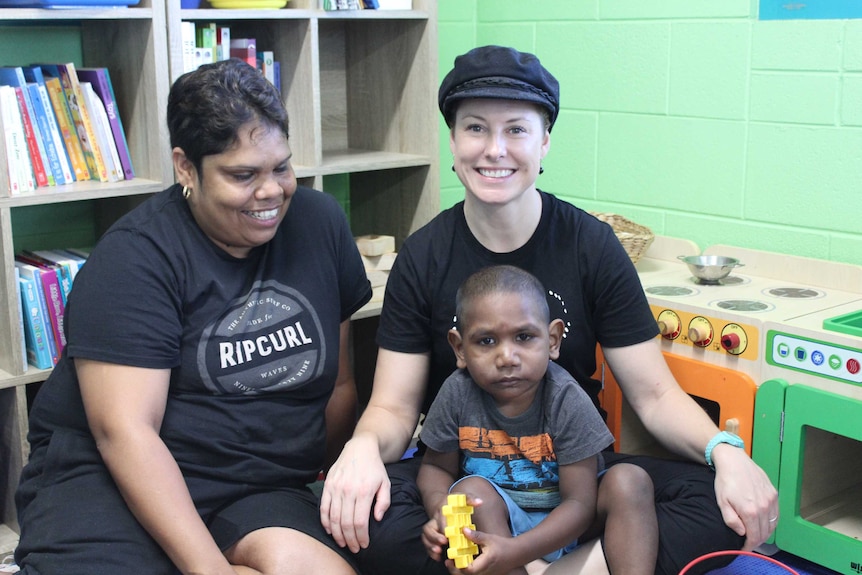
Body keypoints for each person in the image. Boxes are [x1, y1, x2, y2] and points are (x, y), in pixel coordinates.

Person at [320, 45, 778, 575]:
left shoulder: (591, 245)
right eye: (475, 128)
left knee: (720, 507)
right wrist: (361, 448)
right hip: (470, 472)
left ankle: (526, 566)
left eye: (516, 130)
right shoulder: (423, 255)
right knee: (363, 521)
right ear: (453, 140)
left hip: (571, 472)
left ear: (545, 142)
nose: (495, 150)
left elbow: (654, 394)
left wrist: (726, 453)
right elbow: (395, 408)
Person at [14, 58, 371, 575]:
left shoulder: (319, 224)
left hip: (257, 484)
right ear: (186, 167)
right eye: (243, 175)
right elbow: (125, 433)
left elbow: (338, 383)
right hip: (113, 477)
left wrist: (318, 479)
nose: (271, 191)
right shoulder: (135, 258)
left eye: (281, 167)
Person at [417, 265, 658, 575]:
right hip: (497, 527)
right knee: (470, 490)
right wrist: (440, 510)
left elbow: (580, 505)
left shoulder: (566, 399)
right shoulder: (456, 393)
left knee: (631, 480)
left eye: (524, 337)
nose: (507, 357)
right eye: (486, 342)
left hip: (569, 523)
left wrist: (516, 550)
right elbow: (435, 468)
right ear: (460, 348)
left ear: (553, 340)